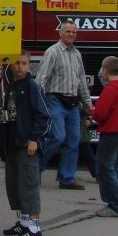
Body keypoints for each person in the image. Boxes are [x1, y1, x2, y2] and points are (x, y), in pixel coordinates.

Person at [0, 50, 50, 236]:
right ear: (11, 65)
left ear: (29, 66)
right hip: (13, 143)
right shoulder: (11, 86)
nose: (20, 67)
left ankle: (34, 228)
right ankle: (24, 221)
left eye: (24, 63)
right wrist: (1, 115)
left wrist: (34, 139)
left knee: (29, 184)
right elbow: (12, 115)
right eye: (17, 63)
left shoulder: (32, 87)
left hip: (27, 145)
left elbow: (43, 115)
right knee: (15, 185)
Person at [35, 19, 92, 190]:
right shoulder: (52, 52)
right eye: (68, 31)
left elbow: (81, 81)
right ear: (60, 33)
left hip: (73, 104)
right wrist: (38, 103)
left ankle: (66, 178)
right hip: (55, 101)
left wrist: (88, 103)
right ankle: (34, 170)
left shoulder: (77, 54)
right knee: (57, 137)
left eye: (74, 32)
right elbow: (41, 79)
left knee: (74, 141)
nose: (71, 34)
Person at [92, 56, 118, 217]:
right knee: (115, 167)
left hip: (110, 132)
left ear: (105, 71)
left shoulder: (110, 90)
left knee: (105, 168)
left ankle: (115, 205)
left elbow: (100, 113)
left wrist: (92, 112)